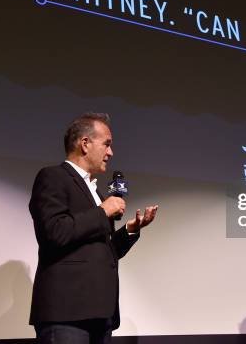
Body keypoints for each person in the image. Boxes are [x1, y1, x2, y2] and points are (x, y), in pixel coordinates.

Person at [28, 112, 158, 344]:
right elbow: (55, 232)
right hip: (67, 314)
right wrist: (103, 211)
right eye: (107, 144)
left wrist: (130, 229)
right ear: (85, 144)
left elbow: (103, 251)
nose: (111, 153)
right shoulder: (53, 177)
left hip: (100, 314)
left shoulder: (94, 192)